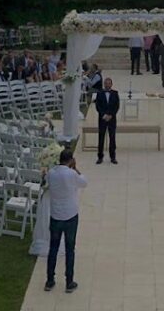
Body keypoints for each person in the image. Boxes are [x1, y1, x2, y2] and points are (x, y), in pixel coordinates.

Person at [45, 148, 87, 294]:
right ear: (70, 160)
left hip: (55, 215)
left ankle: (49, 280)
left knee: (53, 248)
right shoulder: (71, 174)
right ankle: (69, 281)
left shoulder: (51, 172)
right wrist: (75, 168)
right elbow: (84, 182)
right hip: (70, 216)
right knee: (70, 249)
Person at [95, 77, 120, 164]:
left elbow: (117, 106)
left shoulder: (115, 93)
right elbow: (98, 106)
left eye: (109, 83)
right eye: (106, 83)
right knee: (101, 138)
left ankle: (113, 157)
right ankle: (100, 157)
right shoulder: (99, 93)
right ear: (104, 84)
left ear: (111, 84)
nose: (107, 85)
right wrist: (104, 115)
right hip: (102, 119)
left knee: (112, 138)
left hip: (112, 119)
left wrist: (111, 115)